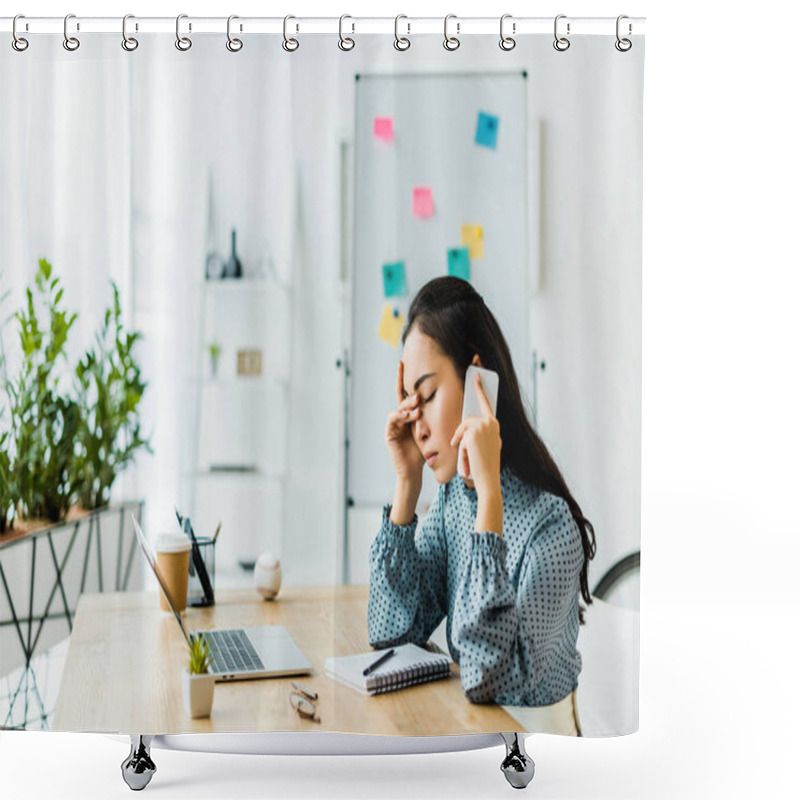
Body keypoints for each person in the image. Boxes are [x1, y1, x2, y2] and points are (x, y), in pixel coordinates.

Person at [367, 276, 596, 734]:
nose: (419, 425)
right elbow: (392, 631)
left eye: (427, 396)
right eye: (411, 403)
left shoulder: (551, 531)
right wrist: (408, 485)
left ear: (478, 383)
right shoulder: (454, 501)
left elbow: (481, 676)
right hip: (470, 743)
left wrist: (490, 498)